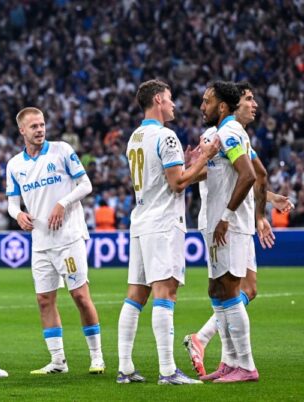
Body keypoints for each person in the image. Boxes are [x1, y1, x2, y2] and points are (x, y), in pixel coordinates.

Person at [184, 82, 291, 383]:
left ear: (221, 106)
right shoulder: (230, 134)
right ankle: (230, 362)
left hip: (225, 224)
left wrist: (227, 217)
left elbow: (249, 175)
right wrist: (260, 212)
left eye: (206, 102)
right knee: (219, 290)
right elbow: (255, 174)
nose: (201, 106)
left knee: (230, 290)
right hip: (228, 222)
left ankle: (245, 365)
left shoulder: (227, 133)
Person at [116, 80, 219, 385]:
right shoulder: (166, 136)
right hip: (163, 223)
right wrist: (206, 156)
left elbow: (170, 175)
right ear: (158, 99)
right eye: (171, 98)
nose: (174, 104)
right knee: (166, 292)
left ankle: (125, 368)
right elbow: (177, 184)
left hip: (141, 220)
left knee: (136, 295)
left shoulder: (134, 137)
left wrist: (191, 163)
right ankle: (167, 370)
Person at [6, 107, 105, 376]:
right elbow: (12, 204)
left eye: (42, 125)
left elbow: (85, 185)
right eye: (34, 126)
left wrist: (63, 203)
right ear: (22, 131)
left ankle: (97, 356)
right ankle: (58, 361)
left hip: (68, 237)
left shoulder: (61, 150)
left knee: (80, 296)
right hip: (40, 242)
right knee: (44, 300)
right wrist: (18, 215)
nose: (40, 130)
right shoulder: (15, 165)